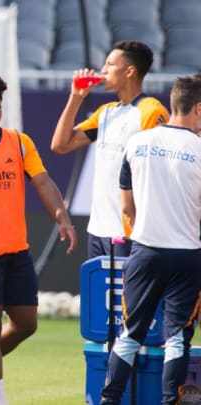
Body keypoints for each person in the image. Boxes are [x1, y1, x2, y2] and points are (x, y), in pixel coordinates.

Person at [0, 74, 77, 404]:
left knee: (26, 323)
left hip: (17, 251)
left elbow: (43, 181)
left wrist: (62, 218)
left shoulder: (18, 142)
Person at [101, 75, 201, 405]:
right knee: (176, 339)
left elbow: (126, 207)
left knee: (130, 334)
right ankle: (169, 400)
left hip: (144, 250)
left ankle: (108, 399)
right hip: (187, 254)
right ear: (198, 109)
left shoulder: (137, 143)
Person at [50, 40, 168, 259]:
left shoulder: (151, 111)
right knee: (99, 292)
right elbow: (60, 144)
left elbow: (159, 170)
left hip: (130, 232)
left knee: (126, 294)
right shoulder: (105, 112)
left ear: (130, 71)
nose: (102, 70)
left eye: (109, 64)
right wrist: (76, 97)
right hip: (97, 230)